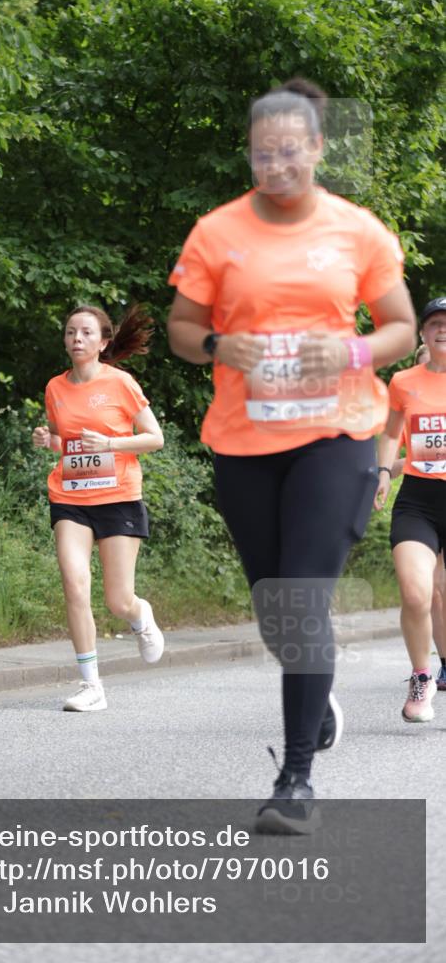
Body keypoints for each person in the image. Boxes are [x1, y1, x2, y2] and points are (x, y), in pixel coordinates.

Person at [167, 77, 415, 834]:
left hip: (336, 436)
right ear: (249, 155)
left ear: (314, 149)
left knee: (302, 602)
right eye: (259, 153)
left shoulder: (357, 231)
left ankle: (295, 780)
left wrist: (346, 348)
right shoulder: (216, 232)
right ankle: (318, 692)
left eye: (288, 152)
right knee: (277, 609)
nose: (274, 166)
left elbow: (399, 327)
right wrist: (218, 343)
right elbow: (181, 328)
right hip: (244, 441)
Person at [32, 304, 165, 712]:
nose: (77, 339)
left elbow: (154, 437)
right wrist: (47, 440)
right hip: (70, 497)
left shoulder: (121, 384)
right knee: (74, 583)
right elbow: (65, 440)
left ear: (103, 342)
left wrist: (110, 444)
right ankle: (92, 686)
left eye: (86, 333)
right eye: (71, 332)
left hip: (118, 496)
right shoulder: (55, 387)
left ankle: (140, 616)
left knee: (117, 601)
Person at [375, 296, 446, 720]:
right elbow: (389, 432)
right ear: (423, 332)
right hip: (418, 499)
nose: (443, 329)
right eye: (435, 323)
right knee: (417, 592)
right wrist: (383, 471)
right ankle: (422, 677)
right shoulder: (404, 381)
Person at [389, 342, 446, 691]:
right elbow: (397, 457)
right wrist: (387, 469)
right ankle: (437, 665)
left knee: (441, 590)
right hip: (421, 500)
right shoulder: (408, 397)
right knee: (431, 592)